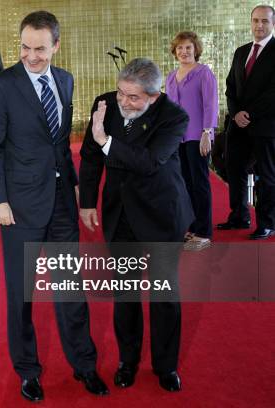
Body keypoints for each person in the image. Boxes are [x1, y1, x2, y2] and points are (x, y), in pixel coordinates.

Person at [0, 11, 108, 402]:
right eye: (24, 47)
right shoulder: (1, 86)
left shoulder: (66, 80)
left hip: (60, 204)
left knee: (71, 288)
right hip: (18, 206)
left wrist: (74, 189)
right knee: (22, 296)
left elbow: (59, 146)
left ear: (56, 45)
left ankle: (84, 364)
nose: (31, 56)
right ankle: (27, 370)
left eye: (39, 48)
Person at [79, 58, 193, 392]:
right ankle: (127, 361)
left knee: (164, 294)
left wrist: (106, 141)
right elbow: (89, 154)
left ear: (154, 96)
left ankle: (165, 366)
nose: (124, 102)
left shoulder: (174, 117)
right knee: (125, 294)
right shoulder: (105, 105)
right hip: (121, 215)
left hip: (161, 214)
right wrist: (87, 201)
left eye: (134, 98)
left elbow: (148, 162)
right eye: (121, 93)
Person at [219, 5, 275, 240]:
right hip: (238, 125)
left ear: (273, 23)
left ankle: (267, 223)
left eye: (264, 21)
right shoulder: (242, 52)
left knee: (268, 174)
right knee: (234, 169)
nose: (259, 25)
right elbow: (230, 86)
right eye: (255, 20)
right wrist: (235, 112)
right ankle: (239, 216)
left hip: (265, 125)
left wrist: (248, 113)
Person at [165, 31, 218, 251]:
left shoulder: (204, 73)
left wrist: (207, 132)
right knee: (184, 185)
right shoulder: (170, 76)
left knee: (199, 184)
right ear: (174, 52)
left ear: (196, 49)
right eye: (180, 48)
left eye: (188, 47)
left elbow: (210, 104)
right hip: (178, 138)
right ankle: (191, 228)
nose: (184, 52)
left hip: (198, 136)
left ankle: (204, 232)